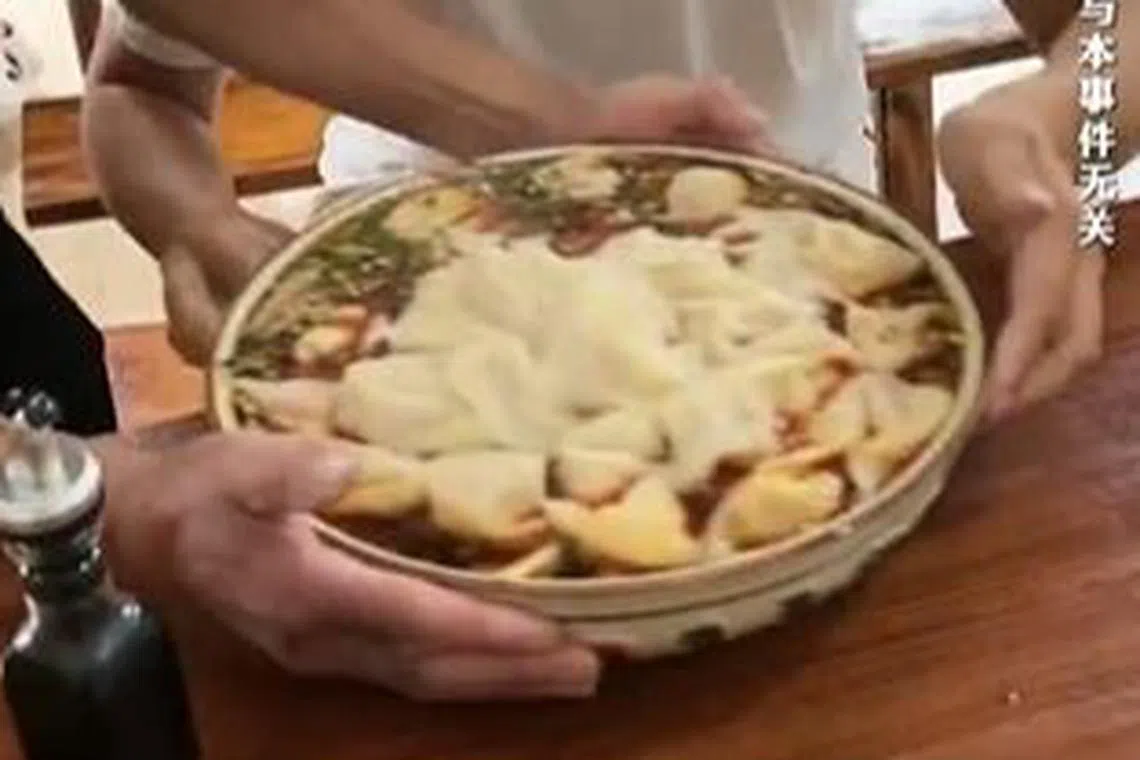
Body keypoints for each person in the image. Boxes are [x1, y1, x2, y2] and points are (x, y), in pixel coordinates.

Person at [78, 0, 1136, 700]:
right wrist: (197, 222)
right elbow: (136, 90)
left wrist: (1056, 122)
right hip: (406, 336)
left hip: (798, 323)